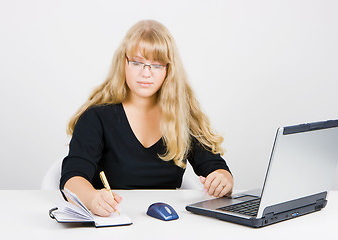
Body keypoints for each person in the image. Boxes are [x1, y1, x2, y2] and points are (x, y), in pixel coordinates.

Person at [60, 19, 233, 217]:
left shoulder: (183, 116)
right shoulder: (96, 117)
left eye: (157, 65)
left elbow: (216, 167)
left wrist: (222, 180)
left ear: (169, 70)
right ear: (123, 63)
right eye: (137, 62)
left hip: (169, 224)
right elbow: (72, 177)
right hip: (113, 218)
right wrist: (92, 198)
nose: (146, 73)